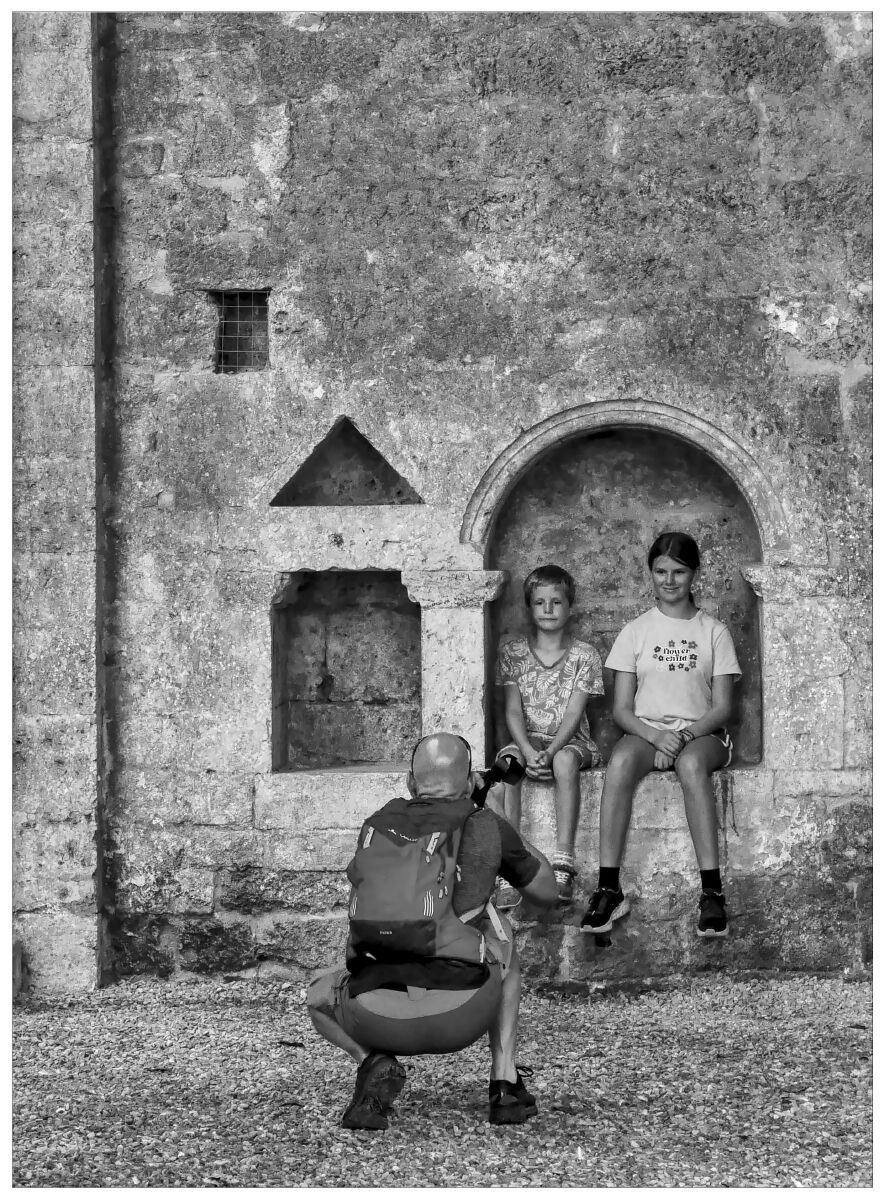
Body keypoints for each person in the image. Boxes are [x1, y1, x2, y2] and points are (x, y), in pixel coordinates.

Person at [306, 732, 557, 1130]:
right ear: (473, 779)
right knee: (502, 934)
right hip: (459, 1015)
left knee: (318, 995)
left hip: (372, 1013)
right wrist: (499, 821)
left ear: (409, 783)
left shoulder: (379, 828)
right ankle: (505, 1083)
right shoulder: (487, 826)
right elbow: (547, 891)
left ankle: (373, 1061)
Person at [581, 531, 742, 939]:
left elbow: (724, 708)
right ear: (651, 573)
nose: (669, 580)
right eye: (660, 571)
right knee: (619, 762)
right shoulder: (635, 632)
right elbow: (621, 710)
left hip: (703, 734)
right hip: (646, 730)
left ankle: (712, 893)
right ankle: (608, 888)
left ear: (694, 575)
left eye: (679, 572)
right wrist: (656, 737)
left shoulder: (714, 632)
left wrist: (683, 738)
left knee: (690, 766)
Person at [489, 565, 603, 906]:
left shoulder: (585, 655)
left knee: (566, 762)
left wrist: (551, 753)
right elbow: (512, 710)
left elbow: (573, 713)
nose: (548, 609)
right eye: (540, 602)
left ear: (570, 607)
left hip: (570, 742)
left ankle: (563, 862)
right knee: (508, 764)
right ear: (529, 607)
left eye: (556, 602)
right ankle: (509, 862)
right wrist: (526, 749)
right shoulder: (512, 653)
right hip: (528, 740)